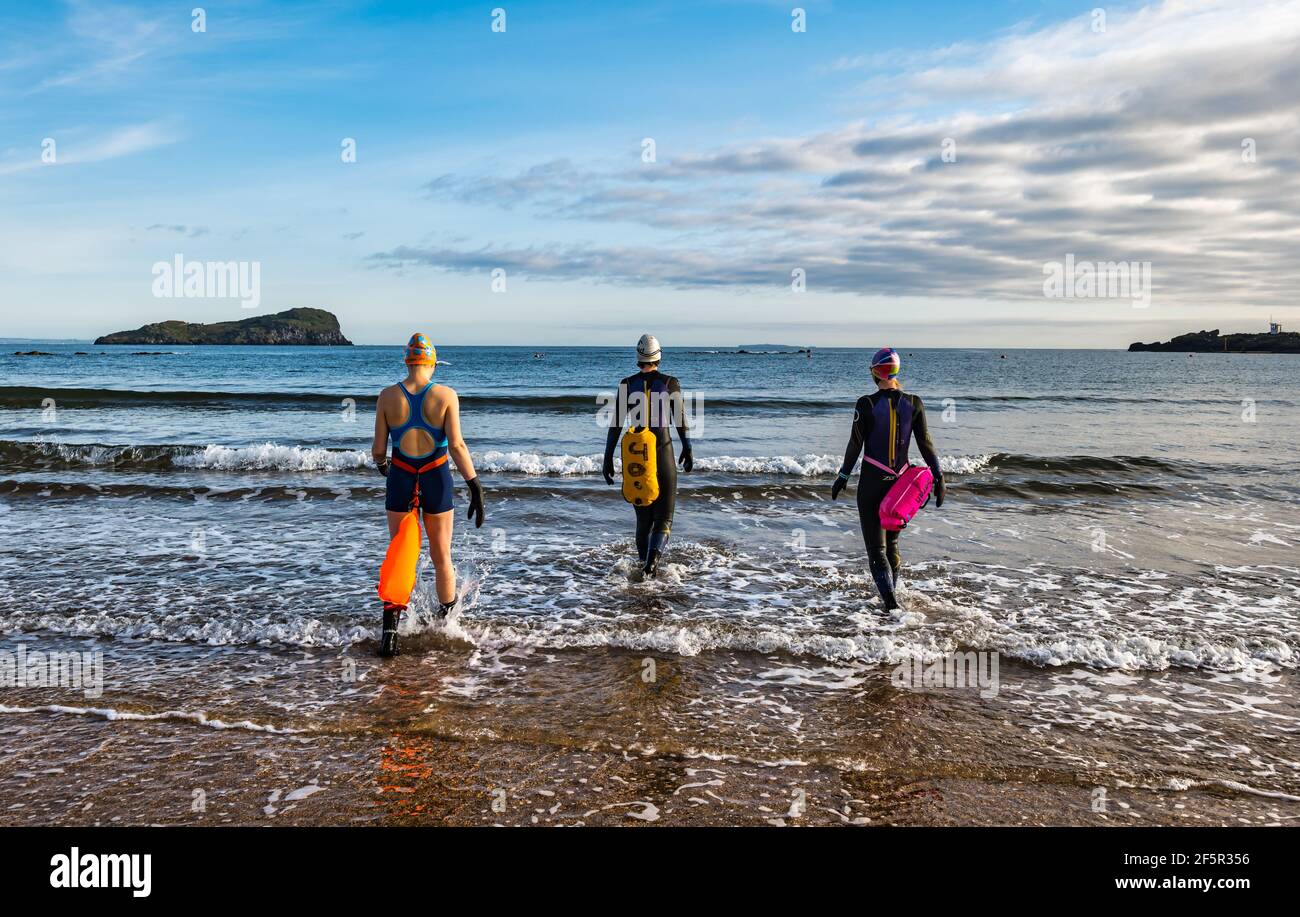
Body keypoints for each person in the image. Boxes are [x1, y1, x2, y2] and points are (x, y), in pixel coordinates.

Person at [372, 334, 485, 656]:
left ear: (407, 362)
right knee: (441, 556)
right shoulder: (446, 395)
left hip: (401, 478)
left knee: (401, 554)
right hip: (436, 476)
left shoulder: (387, 396)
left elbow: (378, 449)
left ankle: (390, 633)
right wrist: (475, 486)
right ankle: (447, 623)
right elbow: (458, 446)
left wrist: (385, 468)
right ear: (432, 362)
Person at [830, 348, 944, 612]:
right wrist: (938, 476)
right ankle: (893, 599)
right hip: (901, 485)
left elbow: (855, 444)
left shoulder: (865, 404)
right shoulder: (914, 403)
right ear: (895, 371)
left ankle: (891, 605)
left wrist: (843, 475)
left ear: (874, 372)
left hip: (871, 483)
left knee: (875, 549)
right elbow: (925, 443)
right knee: (891, 543)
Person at [602, 334, 693, 577]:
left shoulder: (626, 383)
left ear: (638, 357)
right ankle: (651, 565)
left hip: (636, 457)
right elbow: (680, 420)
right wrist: (687, 446)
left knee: (643, 521)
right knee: (664, 518)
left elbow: (616, 424)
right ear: (659, 356)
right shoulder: (670, 382)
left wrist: (608, 456)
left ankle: (644, 569)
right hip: (662, 453)